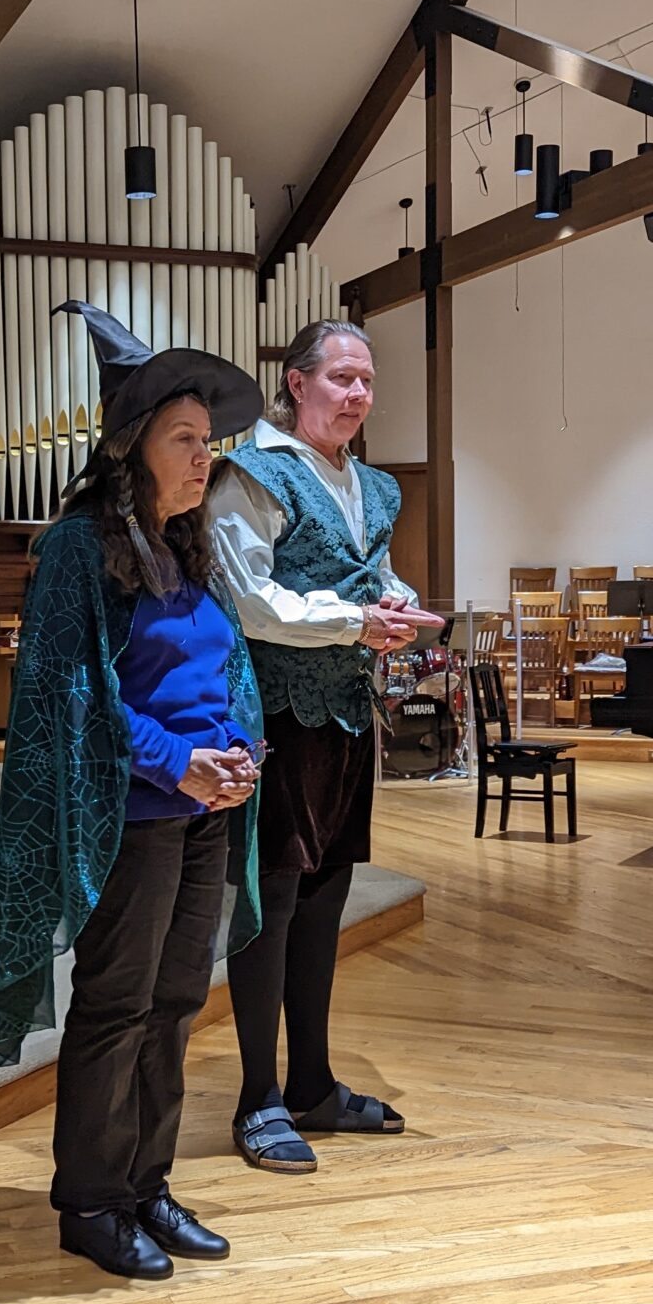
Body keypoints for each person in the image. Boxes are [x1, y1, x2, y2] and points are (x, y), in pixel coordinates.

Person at [0, 302, 268, 1281]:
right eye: (184, 439)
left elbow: (221, 672)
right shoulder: (75, 549)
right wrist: (171, 762)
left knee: (179, 1000)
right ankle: (90, 1200)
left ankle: (146, 1182)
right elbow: (63, 698)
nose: (202, 457)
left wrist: (235, 751)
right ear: (130, 444)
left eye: (207, 440)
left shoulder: (190, 547)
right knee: (117, 1004)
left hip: (200, 815)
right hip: (132, 818)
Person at [212, 320, 440, 1173]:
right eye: (342, 379)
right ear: (296, 383)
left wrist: (400, 608)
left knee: (323, 904)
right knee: (268, 911)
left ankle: (310, 1082)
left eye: (367, 383)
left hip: (344, 714)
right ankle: (257, 1098)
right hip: (275, 716)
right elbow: (253, 602)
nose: (357, 396)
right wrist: (357, 623)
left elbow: (371, 576)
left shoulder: (375, 487)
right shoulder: (251, 474)